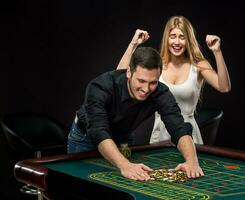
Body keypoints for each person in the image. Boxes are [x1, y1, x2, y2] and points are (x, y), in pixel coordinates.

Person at [67, 46, 204, 181]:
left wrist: (192, 161)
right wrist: (125, 165)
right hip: (86, 139)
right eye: (141, 81)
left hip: (122, 138)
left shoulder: (161, 92)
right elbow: (99, 131)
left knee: (119, 185)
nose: (146, 89)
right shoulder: (100, 87)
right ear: (128, 72)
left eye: (153, 83)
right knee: (82, 186)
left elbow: (178, 128)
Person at [117, 16, 231, 145]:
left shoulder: (198, 65)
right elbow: (118, 77)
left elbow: (224, 87)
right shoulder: (157, 64)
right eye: (173, 36)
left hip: (189, 136)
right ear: (167, 38)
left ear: (188, 40)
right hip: (160, 137)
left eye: (182, 37)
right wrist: (133, 44)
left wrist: (217, 51)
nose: (177, 42)